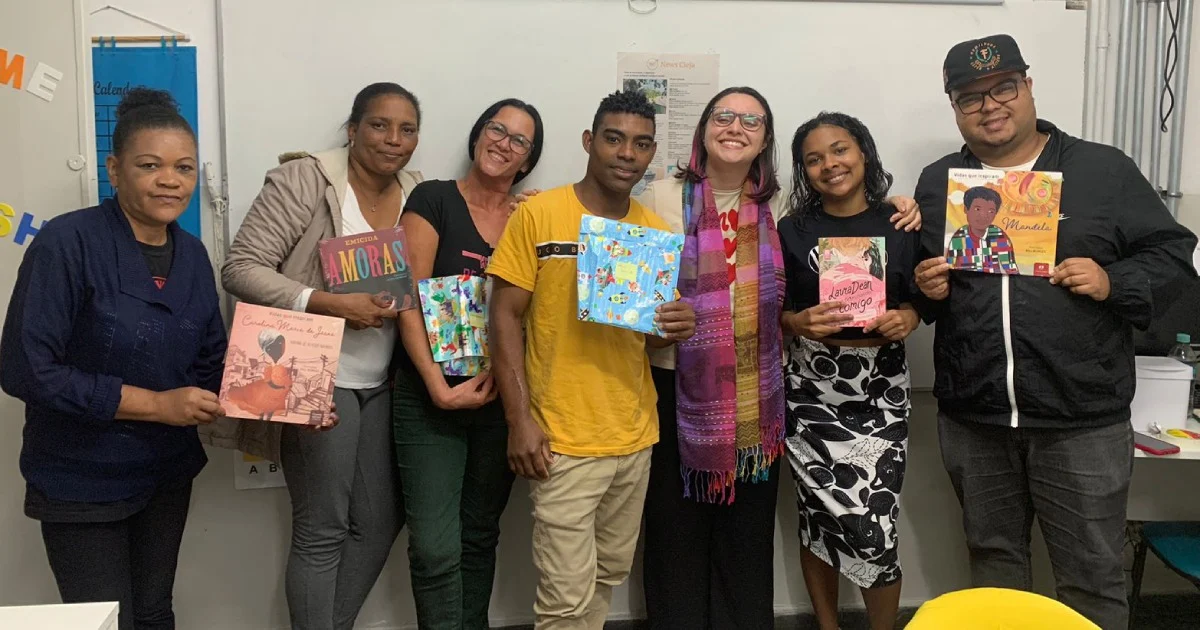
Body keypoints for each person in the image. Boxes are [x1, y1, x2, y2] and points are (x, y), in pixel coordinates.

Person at [913, 34, 1198, 630]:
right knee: (994, 571)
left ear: (1028, 86)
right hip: (975, 416)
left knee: (1092, 577)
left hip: (1081, 419)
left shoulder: (1102, 169)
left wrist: (1113, 280)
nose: (990, 106)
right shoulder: (940, 182)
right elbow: (928, 291)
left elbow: (1173, 256)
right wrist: (926, 287)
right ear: (954, 108)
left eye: (1003, 88)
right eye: (970, 98)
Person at [637, 87, 923, 630]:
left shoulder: (780, 205)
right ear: (703, 128)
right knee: (676, 528)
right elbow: (623, 258)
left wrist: (907, 205)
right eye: (724, 116)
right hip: (680, 386)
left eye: (751, 121)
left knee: (746, 534)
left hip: (760, 390)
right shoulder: (659, 197)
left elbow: (849, 222)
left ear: (765, 139)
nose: (735, 127)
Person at [0, 88, 228, 630]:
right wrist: (156, 405)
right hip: (80, 477)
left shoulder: (194, 255)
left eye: (184, 168)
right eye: (150, 166)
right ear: (114, 170)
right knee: (105, 622)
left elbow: (212, 363)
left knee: (154, 612)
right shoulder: (66, 242)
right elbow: (26, 368)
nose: (170, 180)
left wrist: (287, 400)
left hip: (166, 473)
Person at [214, 82, 423, 630]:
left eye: (407, 129)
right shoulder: (304, 180)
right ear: (352, 130)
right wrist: (327, 303)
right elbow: (240, 268)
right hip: (313, 375)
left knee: (379, 522)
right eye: (379, 125)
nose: (393, 139)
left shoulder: (418, 192)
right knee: (322, 528)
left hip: (384, 382)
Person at [487, 90, 696, 629]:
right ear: (589, 141)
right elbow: (503, 317)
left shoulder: (653, 232)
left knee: (605, 576)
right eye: (614, 138)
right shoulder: (539, 214)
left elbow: (649, 338)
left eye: (641, 144)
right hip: (561, 439)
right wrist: (519, 420)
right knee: (565, 598)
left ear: (652, 153)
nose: (627, 153)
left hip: (634, 434)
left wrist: (673, 325)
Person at [392, 98, 543, 629]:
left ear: (528, 159)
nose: (504, 143)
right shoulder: (433, 198)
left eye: (519, 140)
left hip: (499, 402)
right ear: (478, 135)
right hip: (429, 399)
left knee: (479, 536)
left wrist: (536, 223)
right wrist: (436, 386)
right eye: (497, 129)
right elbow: (406, 297)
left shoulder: (530, 218)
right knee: (434, 546)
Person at [778, 112, 923, 630]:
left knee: (873, 526)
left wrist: (910, 316)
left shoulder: (901, 222)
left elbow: (922, 296)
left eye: (839, 150)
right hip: (810, 390)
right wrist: (796, 321)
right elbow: (774, 309)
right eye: (813, 159)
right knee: (818, 519)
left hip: (881, 389)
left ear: (863, 152)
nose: (829, 165)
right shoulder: (791, 230)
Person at [945, 185, 1018, 273]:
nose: (983, 215)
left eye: (991, 211)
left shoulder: (998, 236)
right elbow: (948, 267)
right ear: (966, 209)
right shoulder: (959, 237)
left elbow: (1011, 269)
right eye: (977, 209)